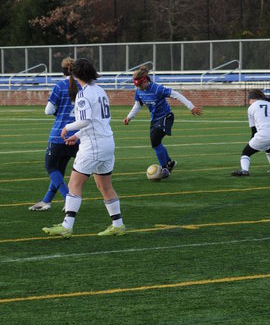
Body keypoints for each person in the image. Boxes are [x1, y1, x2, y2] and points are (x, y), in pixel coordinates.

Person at [42, 57, 125, 238]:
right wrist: (77, 135)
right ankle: (118, 224)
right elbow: (97, 121)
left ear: (75, 74)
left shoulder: (83, 94)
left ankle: (67, 226)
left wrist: (67, 128)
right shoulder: (101, 91)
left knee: (74, 184)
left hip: (93, 146)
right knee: (104, 186)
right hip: (107, 143)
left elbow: (85, 121)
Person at [123, 65, 202, 177]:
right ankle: (169, 163)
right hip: (154, 119)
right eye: (137, 86)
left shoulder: (157, 89)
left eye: (140, 85)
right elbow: (138, 104)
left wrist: (191, 106)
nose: (138, 88)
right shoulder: (139, 91)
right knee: (156, 144)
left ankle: (164, 169)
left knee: (155, 140)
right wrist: (129, 117)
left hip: (166, 117)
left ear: (145, 81)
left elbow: (176, 94)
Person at [29, 57, 79, 211]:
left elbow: (48, 110)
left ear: (63, 70)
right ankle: (46, 201)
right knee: (60, 168)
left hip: (59, 135)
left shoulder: (59, 86)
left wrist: (59, 112)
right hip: (78, 136)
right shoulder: (83, 87)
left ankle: (68, 198)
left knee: (50, 166)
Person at [231, 88, 270, 176]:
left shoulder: (251, 108)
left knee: (246, 152)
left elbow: (254, 131)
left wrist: (251, 141)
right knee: (268, 147)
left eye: (249, 100)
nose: (249, 103)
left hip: (265, 135)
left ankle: (244, 170)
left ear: (252, 99)